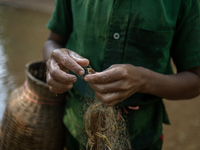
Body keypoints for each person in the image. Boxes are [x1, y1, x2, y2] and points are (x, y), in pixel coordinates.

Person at [43, 0, 200, 149]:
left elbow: (195, 79)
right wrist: (54, 62)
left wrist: (144, 80)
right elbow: (52, 42)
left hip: (141, 137)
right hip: (76, 131)